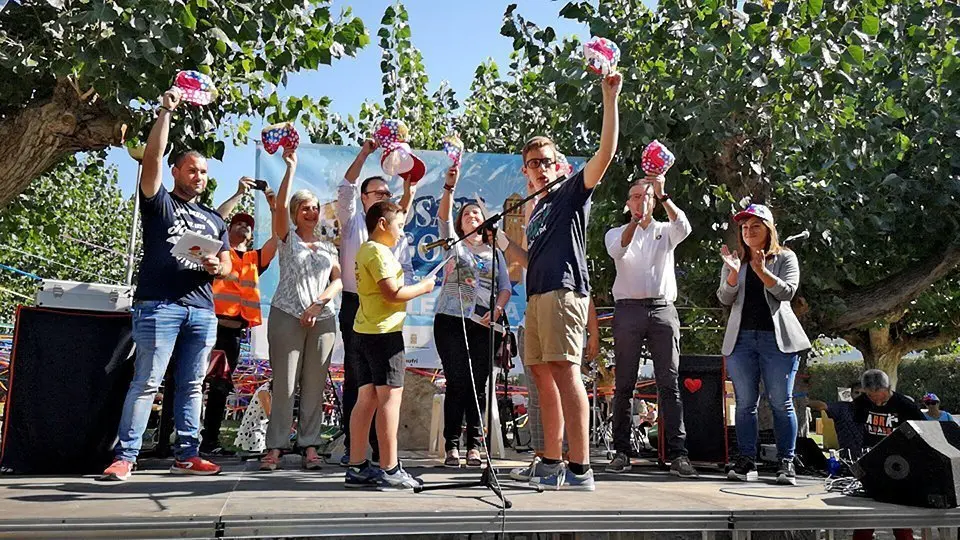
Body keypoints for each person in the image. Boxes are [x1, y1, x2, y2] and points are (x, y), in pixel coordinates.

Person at [497, 69, 621, 492]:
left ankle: (581, 467)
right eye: (533, 164)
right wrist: (500, 242)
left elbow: (605, 154)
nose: (540, 169)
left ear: (558, 165)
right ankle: (550, 460)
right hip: (536, 295)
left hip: (564, 292)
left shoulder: (571, 191)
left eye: (546, 161)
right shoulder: (535, 209)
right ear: (525, 173)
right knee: (540, 374)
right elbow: (530, 259)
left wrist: (609, 97)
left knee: (566, 373)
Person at [100, 87, 232, 481]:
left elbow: (226, 264)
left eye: (205, 172)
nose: (199, 177)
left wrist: (215, 265)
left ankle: (187, 454)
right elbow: (152, 158)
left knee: (192, 385)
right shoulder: (160, 203)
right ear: (176, 171)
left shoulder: (214, 218)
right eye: (192, 169)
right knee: (147, 382)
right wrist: (165, 112)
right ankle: (126, 457)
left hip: (202, 310)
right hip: (159, 305)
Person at [603, 176, 695, 477]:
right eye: (634, 196)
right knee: (624, 385)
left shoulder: (665, 231)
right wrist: (634, 221)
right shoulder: (616, 231)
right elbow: (617, 251)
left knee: (669, 382)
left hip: (661, 309)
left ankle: (678, 455)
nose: (640, 200)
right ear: (628, 203)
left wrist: (664, 193)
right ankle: (621, 452)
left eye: (646, 196)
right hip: (628, 309)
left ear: (654, 200)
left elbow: (684, 227)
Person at [260, 148, 343, 471]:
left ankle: (310, 445)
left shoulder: (326, 245)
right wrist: (290, 168)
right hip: (286, 314)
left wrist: (319, 302)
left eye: (314, 208)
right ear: (295, 213)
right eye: (305, 208)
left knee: (314, 384)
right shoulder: (286, 238)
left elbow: (337, 280)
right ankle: (276, 447)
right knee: (285, 384)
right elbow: (278, 205)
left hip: (322, 318)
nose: (311, 212)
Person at [344, 201, 436, 490]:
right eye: (398, 225)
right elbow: (393, 293)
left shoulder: (367, 250)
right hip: (383, 336)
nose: (402, 232)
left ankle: (357, 466)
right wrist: (424, 287)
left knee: (367, 398)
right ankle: (390, 468)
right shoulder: (378, 252)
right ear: (382, 224)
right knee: (389, 400)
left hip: (364, 330)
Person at [717, 203, 811, 485]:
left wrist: (761, 270)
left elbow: (786, 293)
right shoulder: (735, 259)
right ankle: (747, 460)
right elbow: (724, 298)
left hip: (778, 341)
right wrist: (734, 274)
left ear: (768, 229)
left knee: (781, 402)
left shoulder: (785, 258)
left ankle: (786, 462)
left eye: (755, 226)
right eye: (744, 228)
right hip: (741, 340)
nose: (748, 231)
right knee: (745, 403)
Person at [337, 140, 418, 466]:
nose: (385, 198)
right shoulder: (355, 223)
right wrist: (367, 151)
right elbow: (346, 186)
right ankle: (356, 453)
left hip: (387, 313)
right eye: (378, 194)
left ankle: (374, 455)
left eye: (389, 194)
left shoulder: (397, 237)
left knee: (379, 386)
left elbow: (406, 274)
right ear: (364, 198)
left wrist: (408, 291)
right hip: (356, 305)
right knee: (360, 380)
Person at [433, 165, 511, 468]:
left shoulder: (495, 253)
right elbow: (442, 219)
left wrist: (498, 310)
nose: (472, 218)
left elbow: (505, 287)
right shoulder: (453, 246)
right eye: (466, 215)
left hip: (483, 324)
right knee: (458, 380)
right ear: (460, 224)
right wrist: (449, 189)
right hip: (451, 321)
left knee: (479, 383)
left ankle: (475, 446)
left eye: (476, 215)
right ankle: (451, 445)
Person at [510, 299, 599, 481]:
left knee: (566, 384)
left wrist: (593, 330)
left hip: (560, 309)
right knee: (538, 393)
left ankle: (577, 466)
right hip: (532, 315)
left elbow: (583, 287)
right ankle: (547, 461)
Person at [851, 369, 925, 540]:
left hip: (899, 463)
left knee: (898, 511)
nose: (875, 400)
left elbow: (924, 432)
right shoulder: (861, 403)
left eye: (880, 395)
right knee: (866, 510)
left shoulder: (905, 406)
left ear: (888, 388)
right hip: (871, 461)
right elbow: (857, 428)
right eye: (871, 396)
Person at [854, 369, 925, 448]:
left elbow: (924, 430)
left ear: (889, 388)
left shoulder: (906, 406)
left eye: (883, 399)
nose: (878, 403)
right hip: (868, 453)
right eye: (871, 398)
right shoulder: (859, 403)